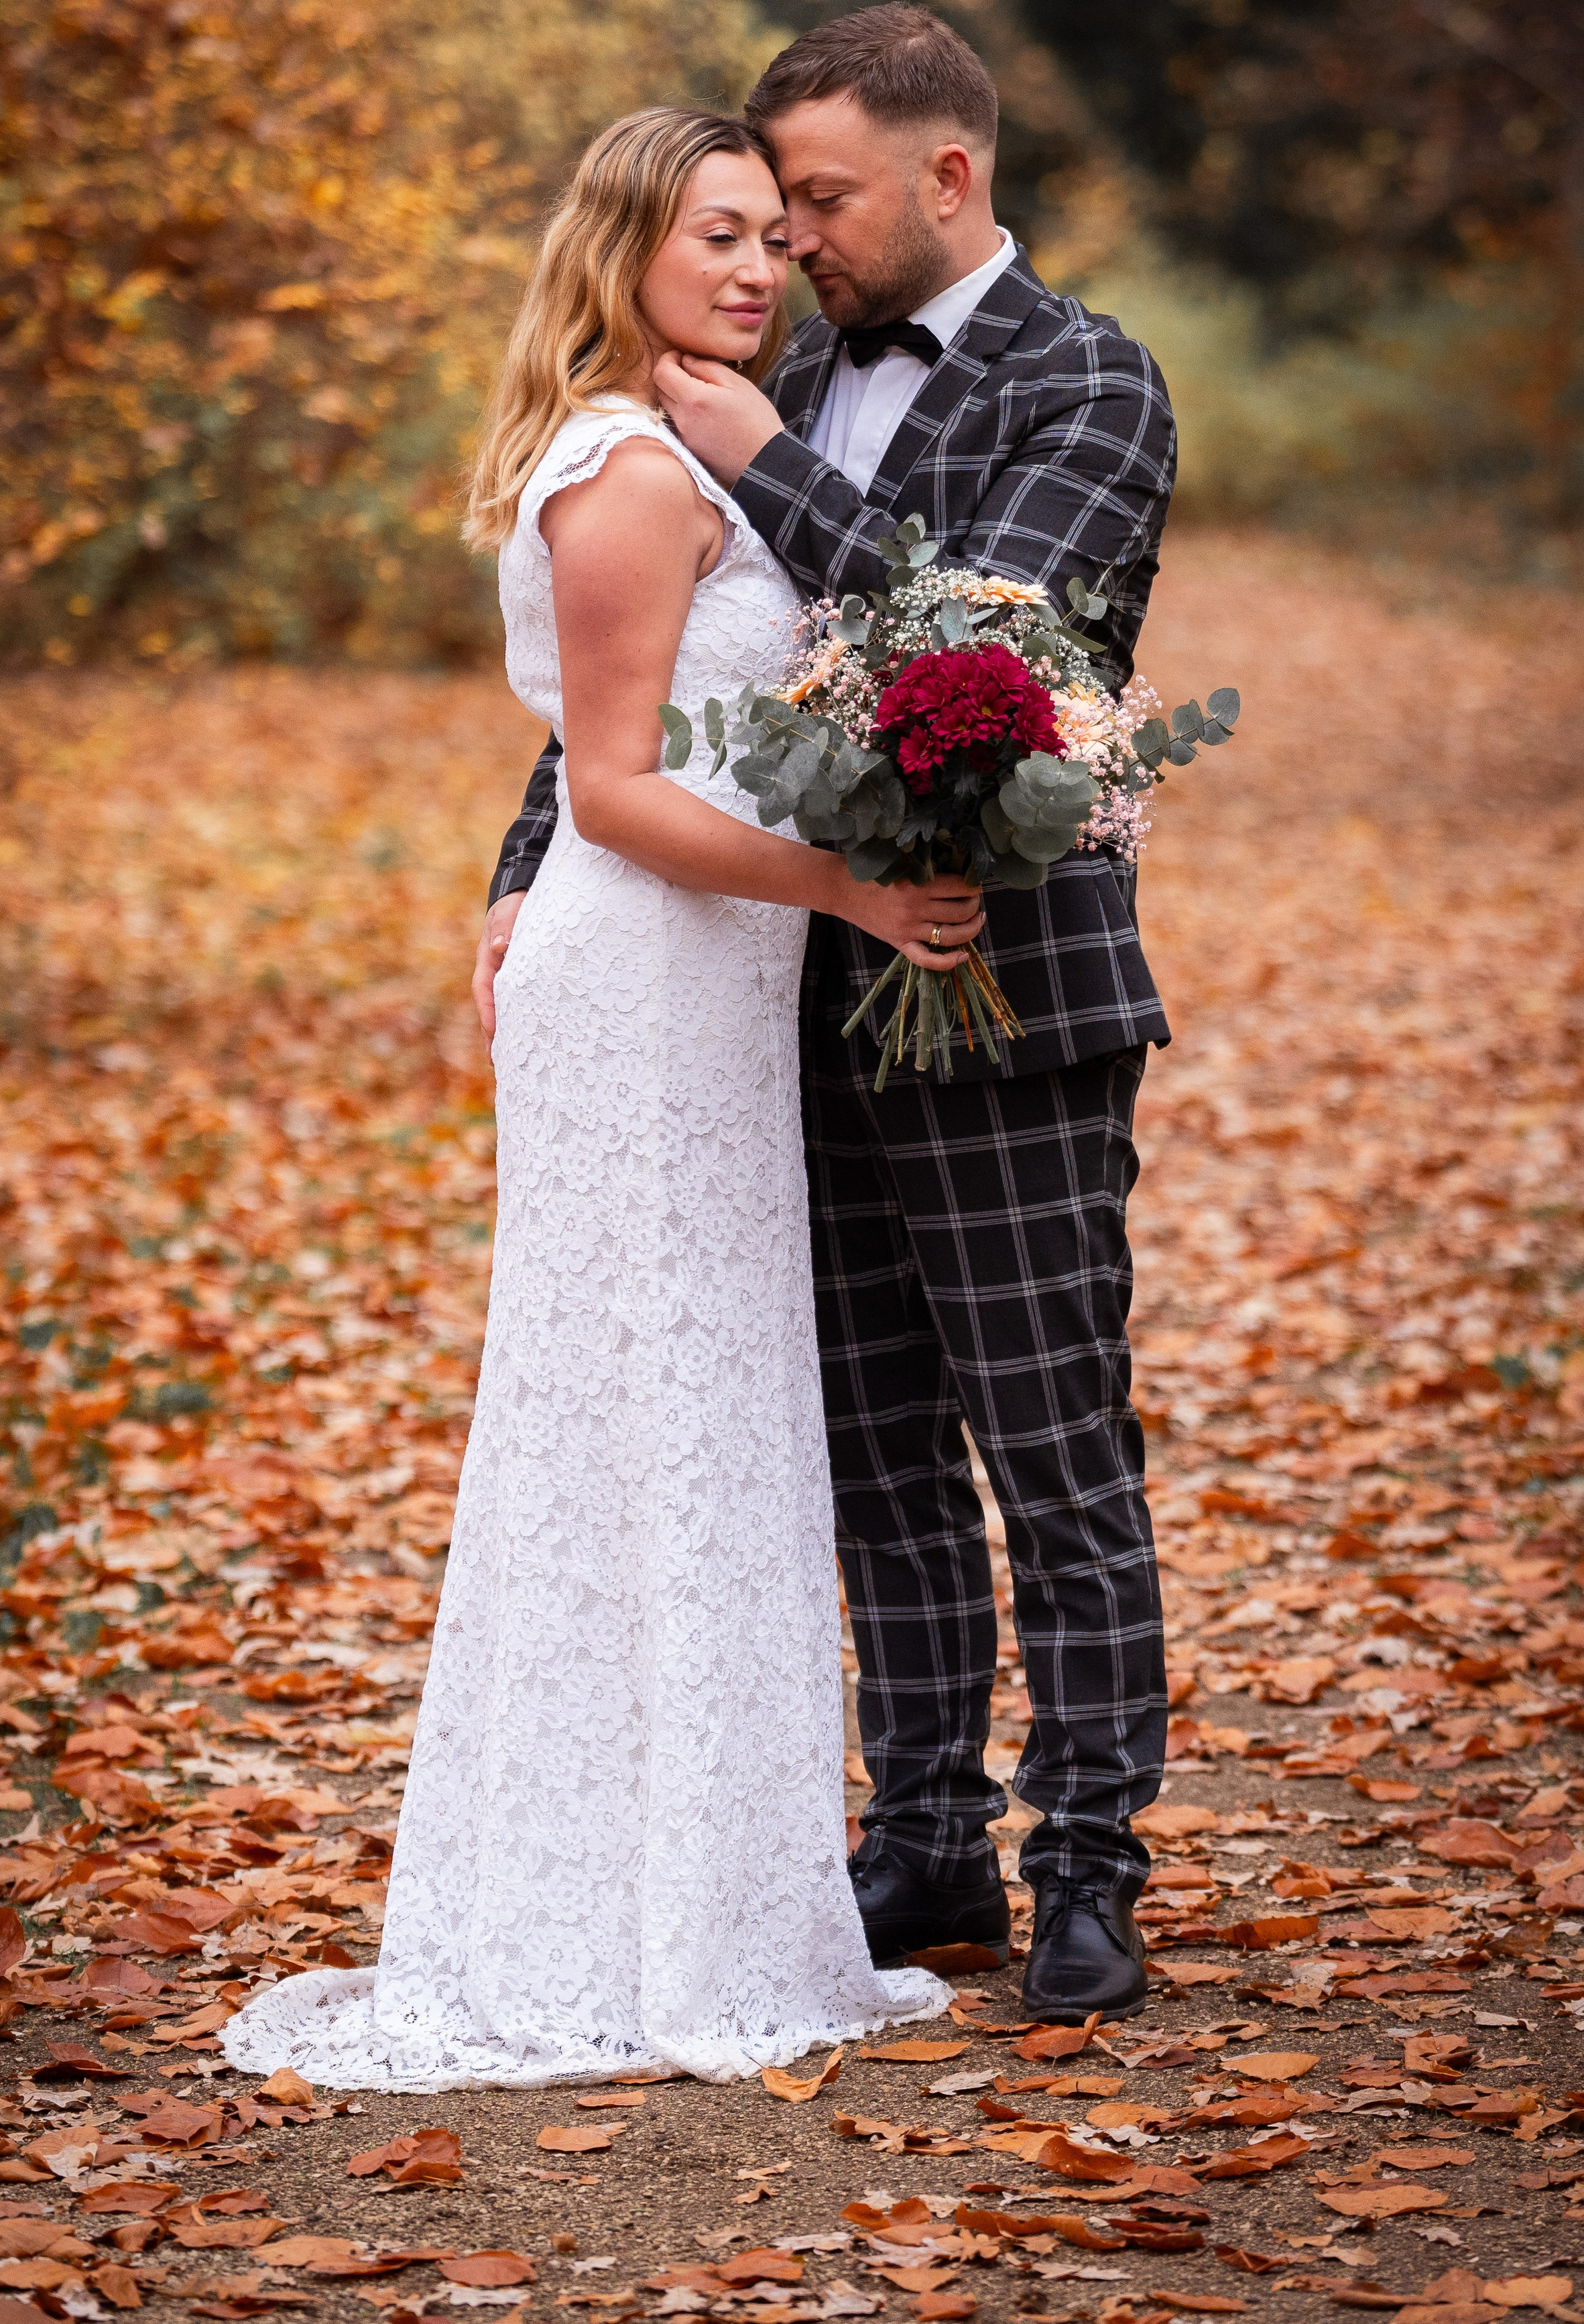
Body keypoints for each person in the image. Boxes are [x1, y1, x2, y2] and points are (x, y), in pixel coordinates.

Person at [219, 107, 962, 2090]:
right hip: (645, 992)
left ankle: (697, 1900)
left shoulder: (688, 444)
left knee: (695, 1426)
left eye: (763, 236)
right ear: (626, 244)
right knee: (634, 1423)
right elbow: (623, 791)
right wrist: (853, 890)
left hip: (704, 993)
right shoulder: (631, 475)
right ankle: (590, 1923)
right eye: (710, 232)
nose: (748, 266)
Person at [479, 6, 1176, 2026]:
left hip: (1010, 985)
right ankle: (925, 1834)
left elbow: (997, 649)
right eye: (764, 209)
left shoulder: (1090, 384)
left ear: (947, 175)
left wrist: (768, 459)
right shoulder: (753, 379)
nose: (788, 246)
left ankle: (1092, 1871)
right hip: (773, 995)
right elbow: (674, 676)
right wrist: (536, 856)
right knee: (867, 1451)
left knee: (1053, 1449)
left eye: (821, 203)